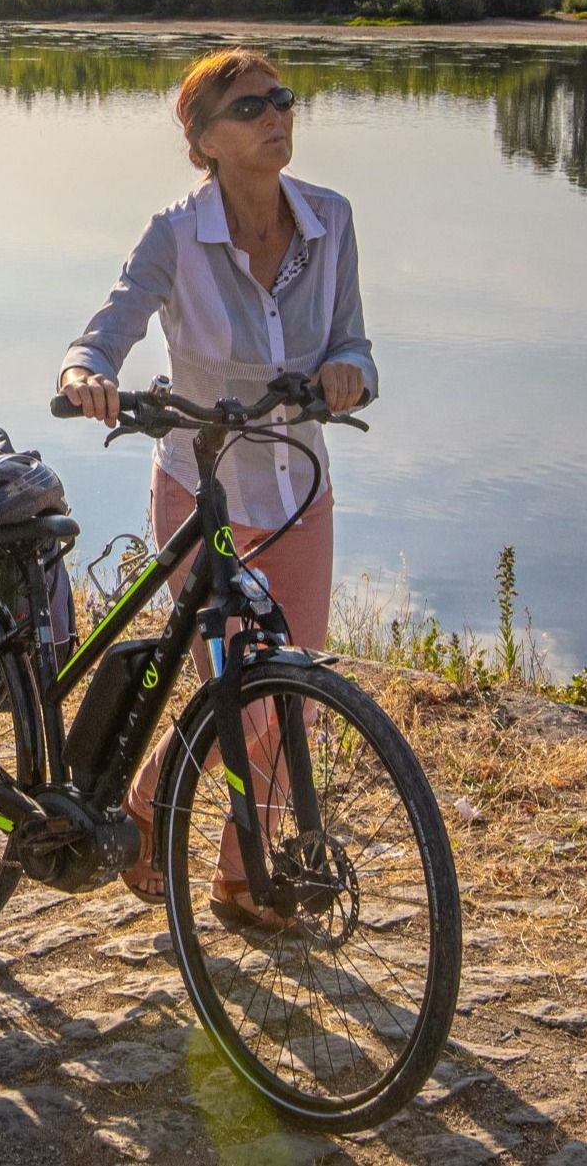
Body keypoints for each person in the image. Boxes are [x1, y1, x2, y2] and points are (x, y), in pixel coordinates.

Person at [59, 47, 375, 929]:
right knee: (248, 691)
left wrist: (349, 371)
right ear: (203, 142)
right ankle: (164, 808)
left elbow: (354, 340)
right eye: (250, 108)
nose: (276, 116)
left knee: (288, 698)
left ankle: (232, 873)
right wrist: (87, 372)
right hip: (201, 494)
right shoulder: (175, 235)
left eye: (283, 99)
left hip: (300, 495)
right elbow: (111, 325)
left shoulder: (332, 219)